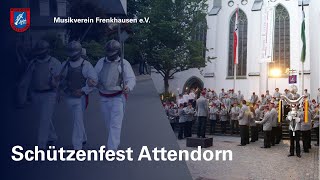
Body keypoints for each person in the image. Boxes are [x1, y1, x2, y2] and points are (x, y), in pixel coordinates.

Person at [95, 40, 136, 150]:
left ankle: (111, 149)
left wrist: (128, 87)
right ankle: (114, 143)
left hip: (117, 97)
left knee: (115, 124)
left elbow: (131, 78)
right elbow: (94, 76)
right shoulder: (101, 62)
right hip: (103, 96)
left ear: (118, 52)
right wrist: (92, 82)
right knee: (108, 123)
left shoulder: (124, 63)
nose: (110, 55)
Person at [23, 40, 61, 149]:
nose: (40, 53)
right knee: (43, 117)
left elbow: (59, 80)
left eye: (42, 51)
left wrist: (55, 84)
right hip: (36, 93)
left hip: (49, 94)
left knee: (44, 119)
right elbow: (27, 79)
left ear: (47, 51)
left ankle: (41, 145)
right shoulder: (33, 63)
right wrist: (25, 94)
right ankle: (52, 136)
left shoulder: (55, 63)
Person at [61, 41, 98, 150]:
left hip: (80, 97)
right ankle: (82, 138)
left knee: (77, 119)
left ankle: (77, 146)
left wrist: (83, 90)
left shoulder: (85, 65)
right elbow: (60, 79)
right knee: (75, 120)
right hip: (68, 95)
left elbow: (94, 81)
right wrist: (58, 84)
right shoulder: (64, 64)